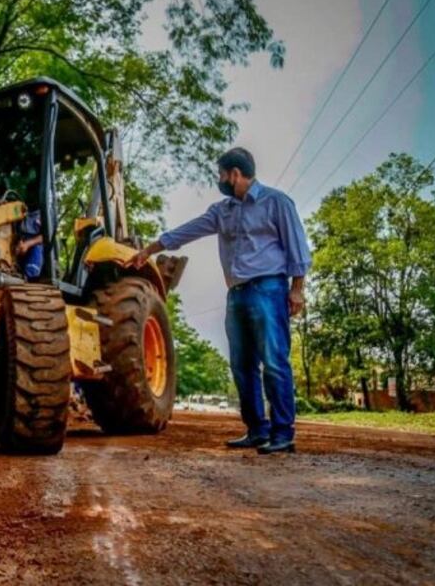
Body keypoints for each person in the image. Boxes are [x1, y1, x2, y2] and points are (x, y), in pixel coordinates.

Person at [131, 148, 311, 454]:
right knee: (242, 365)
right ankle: (256, 429)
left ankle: (283, 433)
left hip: (269, 289)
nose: (220, 180)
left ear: (235, 174)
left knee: (275, 361)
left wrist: (297, 289)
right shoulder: (222, 211)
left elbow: (297, 248)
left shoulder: (276, 202)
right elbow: (187, 231)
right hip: (237, 295)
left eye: (222, 174)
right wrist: (150, 249)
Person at [16, 210, 44, 280]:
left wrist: (27, 244)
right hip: (21, 243)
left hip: (35, 246)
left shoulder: (45, 213)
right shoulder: (21, 210)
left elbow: (45, 237)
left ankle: (30, 275)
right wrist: (20, 244)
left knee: (37, 248)